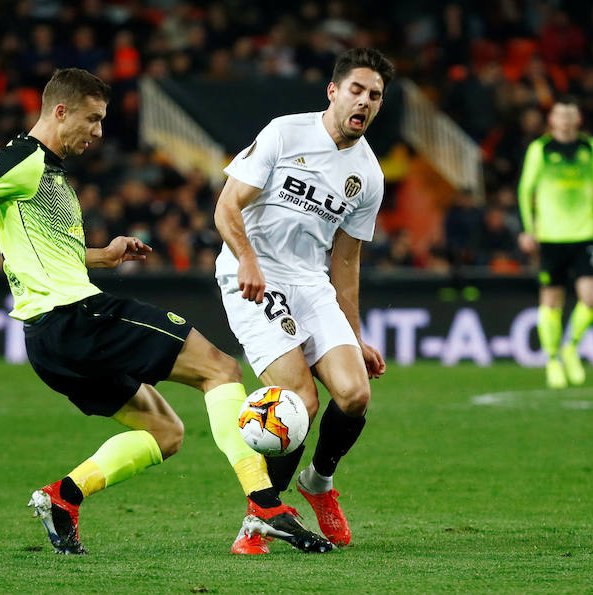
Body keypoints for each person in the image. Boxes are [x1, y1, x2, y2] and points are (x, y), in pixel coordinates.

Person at [0, 68, 332, 555]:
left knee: (165, 432)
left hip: (48, 342)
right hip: (78, 317)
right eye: (92, 119)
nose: (98, 131)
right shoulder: (21, 159)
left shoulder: (46, 174)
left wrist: (104, 255)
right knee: (220, 369)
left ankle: (63, 499)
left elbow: (44, 250)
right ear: (61, 111)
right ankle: (265, 507)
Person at [213, 48, 392, 551]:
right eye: (356, 90)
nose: (365, 101)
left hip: (310, 283)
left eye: (375, 95)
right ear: (333, 91)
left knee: (355, 394)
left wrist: (355, 338)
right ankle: (261, 518)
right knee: (299, 404)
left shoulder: (369, 176)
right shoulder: (284, 133)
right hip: (252, 276)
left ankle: (318, 482)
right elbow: (227, 204)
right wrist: (247, 258)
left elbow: (347, 262)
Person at [517, 96, 593, 388]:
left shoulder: (592, 148)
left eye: (571, 115)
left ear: (578, 119)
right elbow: (525, 190)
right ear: (552, 120)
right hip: (550, 236)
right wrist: (528, 228)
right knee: (551, 301)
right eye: (561, 116)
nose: (566, 121)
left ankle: (570, 346)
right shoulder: (540, 149)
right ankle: (552, 360)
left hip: (584, 234)